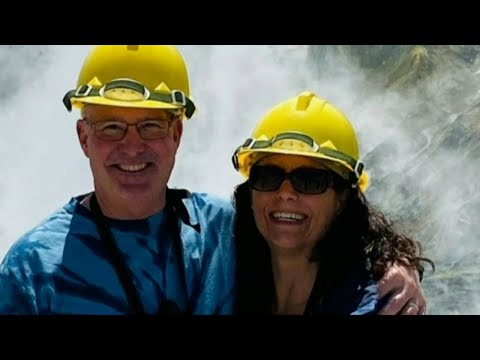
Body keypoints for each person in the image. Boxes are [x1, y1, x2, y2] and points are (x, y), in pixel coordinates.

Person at [0, 45, 427, 315]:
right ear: (83, 137)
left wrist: (394, 264)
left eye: (150, 126)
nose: (132, 147)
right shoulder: (33, 268)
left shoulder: (219, 226)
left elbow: (317, 230)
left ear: (176, 134)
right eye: (111, 127)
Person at [231, 91, 434, 315]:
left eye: (309, 180)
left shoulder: (376, 307)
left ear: (342, 199)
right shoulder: (220, 275)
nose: (286, 193)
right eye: (268, 176)